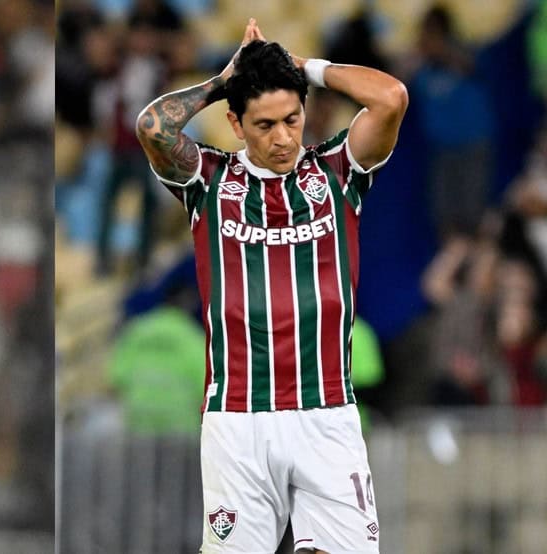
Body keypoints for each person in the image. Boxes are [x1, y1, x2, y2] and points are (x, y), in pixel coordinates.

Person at [135, 18, 407, 554]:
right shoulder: (209, 182)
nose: (283, 138)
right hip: (238, 421)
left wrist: (301, 66)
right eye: (264, 125)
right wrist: (223, 79)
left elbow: (391, 97)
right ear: (235, 124)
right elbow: (152, 128)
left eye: (292, 118)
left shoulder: (337, 173)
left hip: (327, 415)